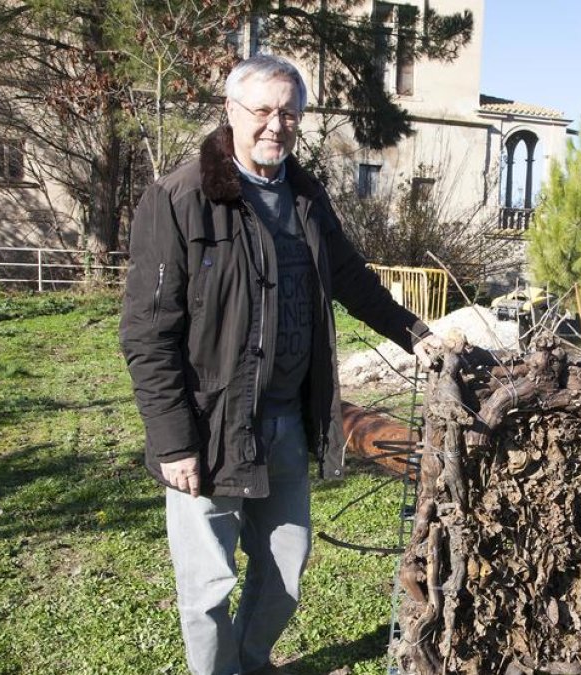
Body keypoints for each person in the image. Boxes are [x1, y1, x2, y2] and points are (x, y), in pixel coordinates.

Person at [119, 54, 439, 675]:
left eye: (289, 113)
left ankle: (250, 661)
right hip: (209, 425)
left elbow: (350, 277)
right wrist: (172, 441)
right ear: (231, 111)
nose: (276, 125)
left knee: (286, 567)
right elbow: (147, 332)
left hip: (287, 419)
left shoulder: (305, 195)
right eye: (262, 110)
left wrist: (415, 333)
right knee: (208, 585)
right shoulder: (180, 198)